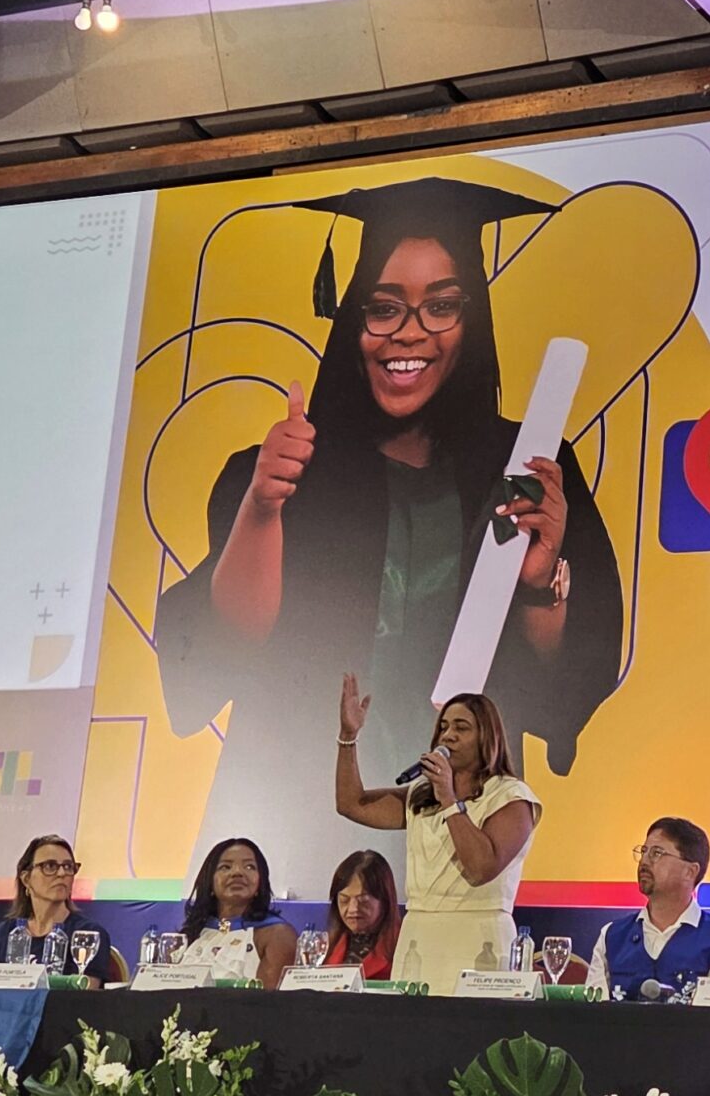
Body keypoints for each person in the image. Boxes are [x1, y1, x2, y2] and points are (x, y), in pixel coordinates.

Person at [153, 178, 624, 887]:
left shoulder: (525, 469)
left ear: (472, 322)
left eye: (441, 306)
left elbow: (566, 684)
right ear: (353, 320)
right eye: (384, 307)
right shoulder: (283, 468)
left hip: (462, 807)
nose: (409, 331)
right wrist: (263, 507)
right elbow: (226, 645)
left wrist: (536, 587)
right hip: (301, 792)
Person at [336, 679, 537, 983]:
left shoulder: (511, 797)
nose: (448, 735)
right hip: (419, 936)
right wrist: (348, 737)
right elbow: (351, 804)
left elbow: (481, 868)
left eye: (461, 727)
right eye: (444, 727)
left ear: (487, 737)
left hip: (478, 937)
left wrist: (449, 798)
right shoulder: (421, 795)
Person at [586, 817, 710, 998]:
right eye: (644, 851)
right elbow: (592, 1008)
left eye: (657, 853)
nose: (644, 861)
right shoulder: (612, 936)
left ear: (690, 871)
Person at [0, 834, 111, 983]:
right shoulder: (1, 936)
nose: (61, 873)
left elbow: (85, 992)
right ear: (26, 879)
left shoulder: (87, 935)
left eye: (68, 867)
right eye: (50, 866)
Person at [174, 837, 299, 985]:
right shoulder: (193, 932)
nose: (237, 873)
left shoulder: (277, 935)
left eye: (249, 867)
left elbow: (270, 998)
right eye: (225, 867)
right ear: (209, 882)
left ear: (260, 882)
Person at [323, 849, 402, 981]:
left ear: (385, 901)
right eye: (344, 900)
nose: (353, 909)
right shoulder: (327, 945)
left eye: (363, 901)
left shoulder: (402, 944)